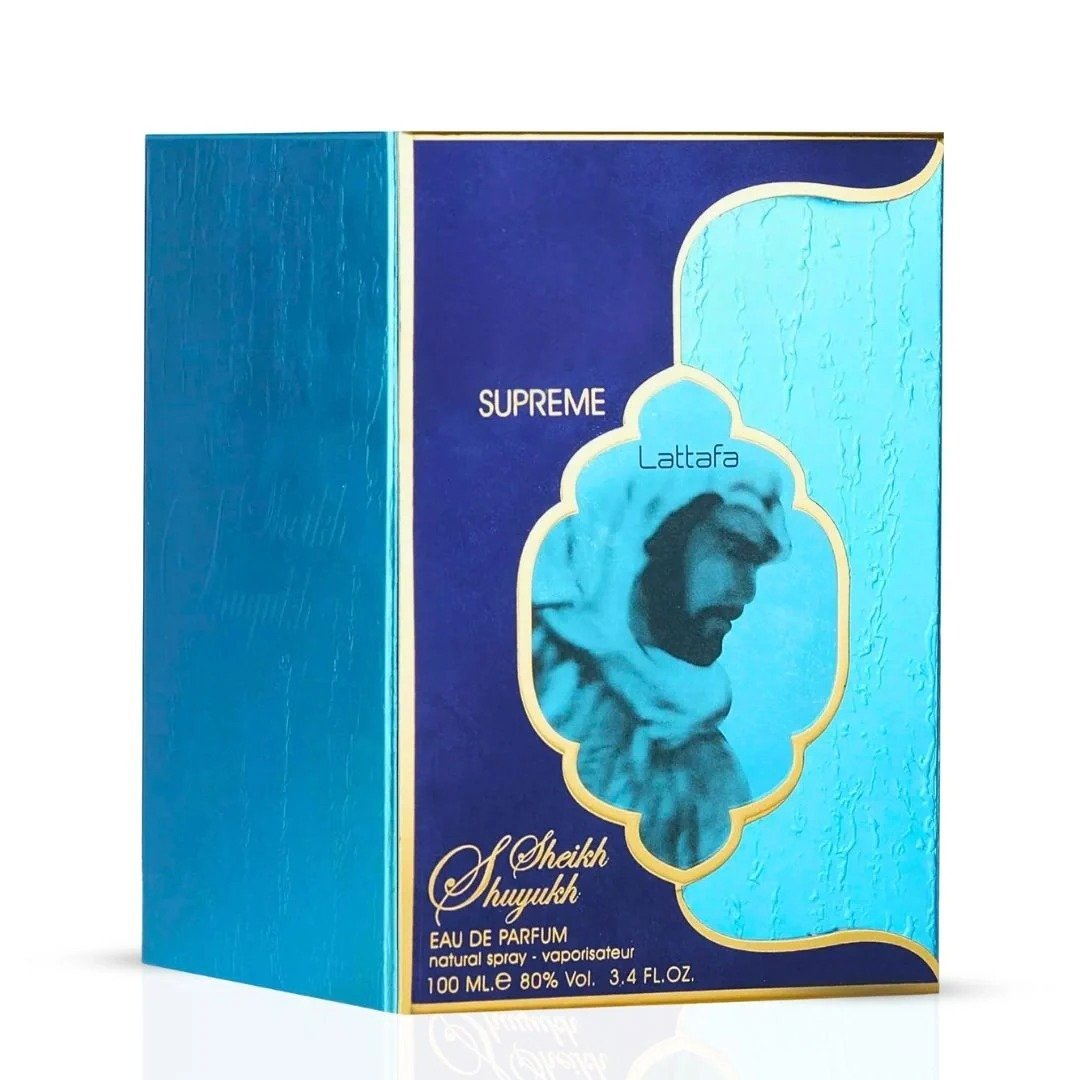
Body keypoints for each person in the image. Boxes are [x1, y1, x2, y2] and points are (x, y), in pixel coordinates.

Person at [532, 454, 790, 869]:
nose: (746, 592)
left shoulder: (708, 772)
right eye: (733, 550)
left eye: (754, 564)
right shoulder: (538, 678)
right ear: (650, 533)